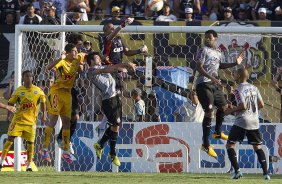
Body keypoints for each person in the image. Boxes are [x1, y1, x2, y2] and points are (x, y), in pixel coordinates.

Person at [195, 29, 244, 158]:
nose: (207, 40)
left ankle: (217, 132)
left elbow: (220, 65)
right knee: (209, 112)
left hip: (214, 84)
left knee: (224, 107)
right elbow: (199, 67)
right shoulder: (202, 50)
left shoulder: (218, 52)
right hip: (203, 84)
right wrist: (212, 78)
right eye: (206, 38)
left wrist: (235, 63)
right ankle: (206, 144)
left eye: (210, 38)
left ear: (215, 38)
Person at [86, 51, 136, 166]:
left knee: (116, 126)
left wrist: (125, 66)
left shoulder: (103, 66)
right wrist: (124, 65)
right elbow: (107, 70)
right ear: (92, 61)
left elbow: (112, 67)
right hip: (108, 100)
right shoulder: (91, 71)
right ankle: (112, 153)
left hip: (116, 98)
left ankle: (101, 145)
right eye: (97, 58)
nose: (99, 58)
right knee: (115, 124)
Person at [40, 43, 85, 164]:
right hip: (56, 92)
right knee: (53, 119)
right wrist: (60, 58)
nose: (76, 53)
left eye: (76, 51)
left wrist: (83, 65)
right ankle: (44, 149)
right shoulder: (62, 62)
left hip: (67, 94)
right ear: (68, 52)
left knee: (66, 122)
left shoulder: (77, 59)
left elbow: (86, 55)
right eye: (74, 51)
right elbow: (48, 68)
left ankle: (65, 151)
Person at [225, 67, 270, 180]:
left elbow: (243, 106)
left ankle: (237, 171)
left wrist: (230, 111)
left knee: (230, 145)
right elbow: (261, 104)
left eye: (235, 73)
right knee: (257, 147)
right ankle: (266, 174)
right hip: (254, 121)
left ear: (239, 76)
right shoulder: (254, 88)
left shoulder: (238, 89)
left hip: (242, 121)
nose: (233, 75)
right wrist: (252, 111)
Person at [0, 70, 46, 172]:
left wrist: (44, 114)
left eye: (30, 76)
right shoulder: (18, 91)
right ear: (23, 78)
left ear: (33, 78)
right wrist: (10, 112)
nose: (29, 78)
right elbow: (11, 103)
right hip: (18, 121)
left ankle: (29, 164)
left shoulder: (38, 91)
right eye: (26, 76)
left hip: (31, 122)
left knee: (31, 143)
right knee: (10, 139)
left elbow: (43, 102)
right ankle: (2, 161)